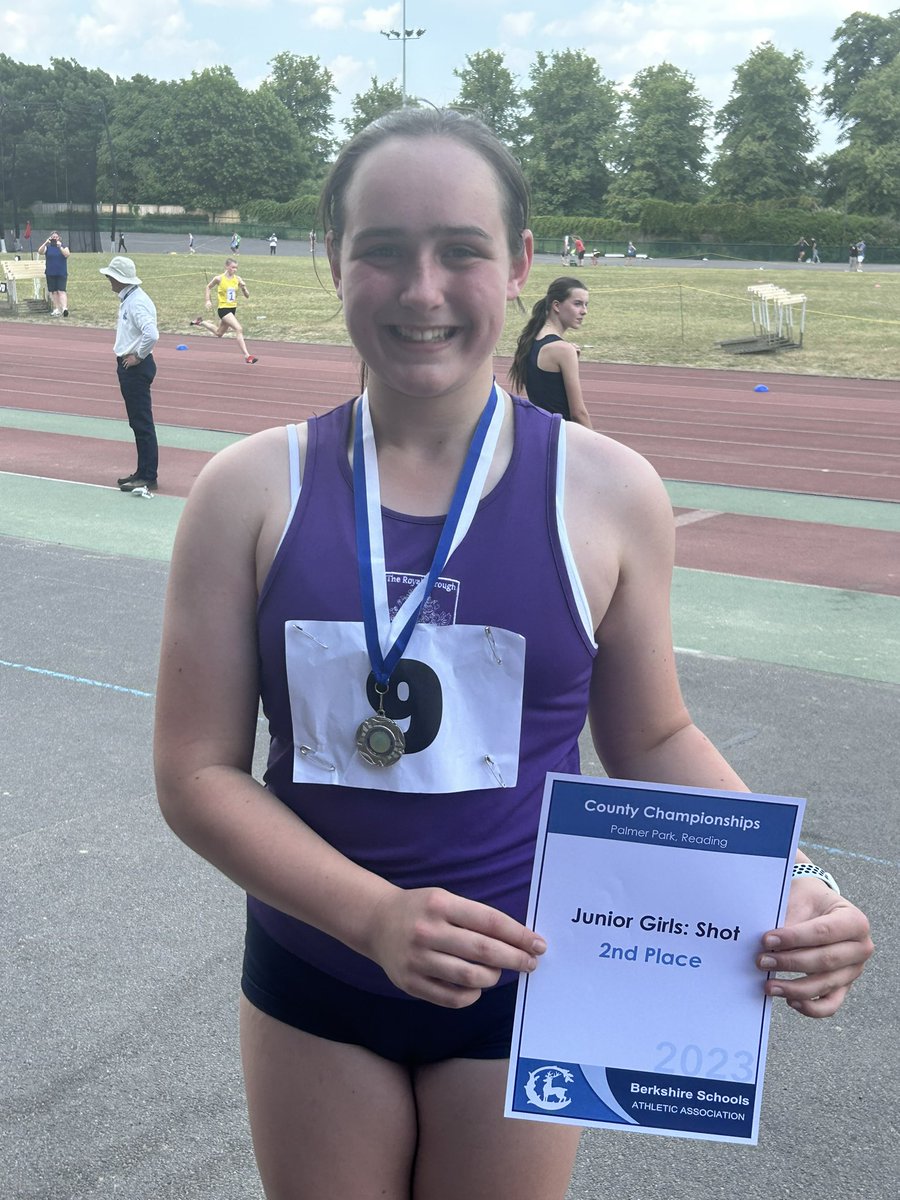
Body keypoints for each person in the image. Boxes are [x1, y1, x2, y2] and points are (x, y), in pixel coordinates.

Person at [153, 108, 873, 1200]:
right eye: (384, 252)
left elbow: (653, 734)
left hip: (532, 987)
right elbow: (195, 772)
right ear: (333, 260)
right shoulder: (249, 490)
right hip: (317, 972)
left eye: (462, 251)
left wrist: (798, 880)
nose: (423, 289)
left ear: (522, 263)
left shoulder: (609, 491)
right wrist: (372, 917)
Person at [99, 256, 159, 493]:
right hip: (131, 365)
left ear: (120, 278)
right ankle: (142, 471)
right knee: (138, 422)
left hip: (134, 367)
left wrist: (138, 356)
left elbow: (151, 334)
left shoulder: (136, 302)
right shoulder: (130, 298)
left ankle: (148, 475)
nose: (108, 279)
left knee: (142, 423)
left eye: (110, 276)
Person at [508, 276, 593, 428]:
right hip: (562, 436)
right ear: (556, 306)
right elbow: (578, 413)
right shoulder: (563, 350)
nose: (584, 311)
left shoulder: (532, 339)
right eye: (577, 304)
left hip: (540, 431)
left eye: (586, 305)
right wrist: (594, 446)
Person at [190, 257, 258, 364]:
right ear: (226, 266)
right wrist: (207, 300)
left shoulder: (238, 279)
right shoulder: (219, 278)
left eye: (236, 268)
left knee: (219, 333)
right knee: (239, 329)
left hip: (232, 309)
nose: (234, 270)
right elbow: (208, 287)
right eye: (232, 267)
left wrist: (244, 288)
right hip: (223, 309)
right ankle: (247, 356)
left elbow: (247, 296)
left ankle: (200, 322)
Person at [38, 230, 70, 317]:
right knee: (53, 292)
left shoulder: (64, 246)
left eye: (56, 237)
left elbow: (67, 254)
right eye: (53, 237)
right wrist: (46, 242)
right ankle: (57, 309)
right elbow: (40, 251)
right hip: (50, 272)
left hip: (61, 272)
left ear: (59, 238)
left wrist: (60, 247)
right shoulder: (48, 248)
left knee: (61, 291)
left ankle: (64, 309)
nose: (54, 239)